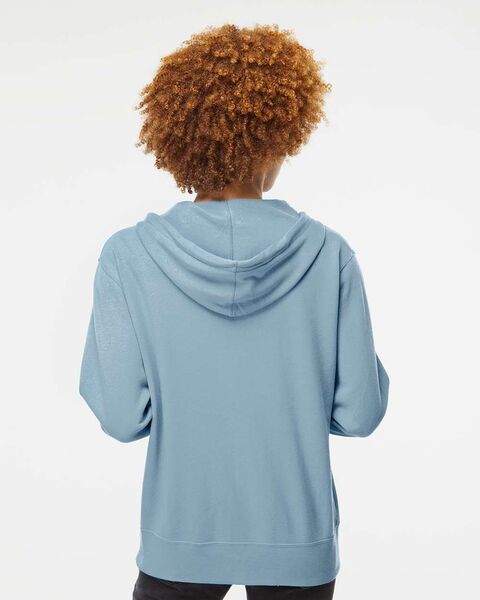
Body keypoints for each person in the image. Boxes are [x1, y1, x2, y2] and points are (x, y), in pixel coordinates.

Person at [79, 23, 389, 600]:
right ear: (280, 134)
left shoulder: (128, 255)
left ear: (181, 138)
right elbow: (361, 413)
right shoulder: (330, 255)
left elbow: (122, 417)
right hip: (299, 544)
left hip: (179, 538)